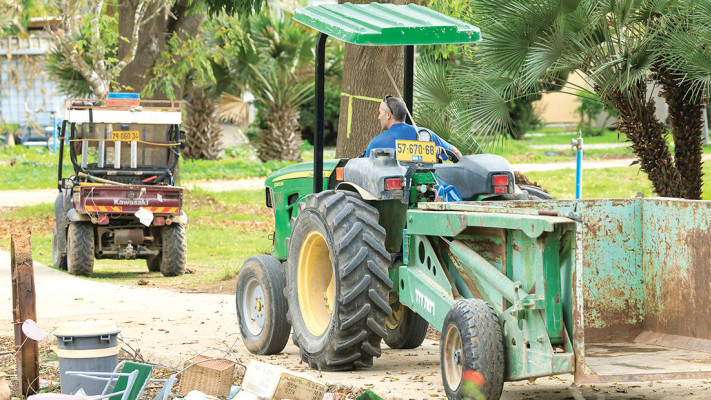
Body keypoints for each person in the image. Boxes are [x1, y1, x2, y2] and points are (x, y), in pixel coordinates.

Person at [364, 95, 463, 159]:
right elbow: (455, 152)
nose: (378, 117)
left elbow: (363, 169)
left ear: (388, 115)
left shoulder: (376, 143)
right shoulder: (425, 135)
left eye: (380, 113)